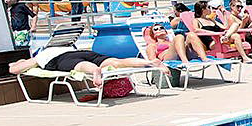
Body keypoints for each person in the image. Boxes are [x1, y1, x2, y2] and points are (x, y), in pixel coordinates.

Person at [9, 47, 161, 88]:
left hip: (61, 59)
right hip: (83, 52)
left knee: (79, 66)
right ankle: (149, 63)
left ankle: (94, 70)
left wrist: (16, 64)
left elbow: (14, 70)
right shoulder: (56, 47)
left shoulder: (39, 57)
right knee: (116, 62)